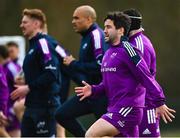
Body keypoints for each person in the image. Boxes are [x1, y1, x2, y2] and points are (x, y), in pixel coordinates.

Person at [75, 12, 175, 137]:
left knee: (91, 134)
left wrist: (159, 101)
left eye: (108, 27)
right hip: (114, 108)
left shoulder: (129, 51)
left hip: (128, 109)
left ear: (121, 30)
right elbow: (107, 84)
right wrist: (93, 90)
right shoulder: (108, 53)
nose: (104, 31)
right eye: (104, 27)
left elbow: (146, 76)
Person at [55, 5, 107, 137]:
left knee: (112, 132)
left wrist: (74, 63)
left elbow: (99, 65)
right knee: (61, 114)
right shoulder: (86, 36)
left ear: (89, 19)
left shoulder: (96, 35)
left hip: (101, 94)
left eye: (77, 18)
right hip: (88, 93)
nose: (73, 21)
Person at [123, 8, 175, 137]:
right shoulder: (132, 42)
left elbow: (145, 77)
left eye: (122, 23)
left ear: (128, 25)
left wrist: (158, 102)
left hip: (146, 105)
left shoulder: (139, 45)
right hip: (137, 104)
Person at [10, 8, 61, 137]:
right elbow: (40, 73)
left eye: (25, 22)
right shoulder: (33, 45)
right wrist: (25, 80)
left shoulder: (43, 43)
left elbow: (51, 73)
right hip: (31, 106)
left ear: (36, 24)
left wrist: (28, 87)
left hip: (45, 107)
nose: (21, 25)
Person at [0, 45, 21, 137]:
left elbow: (20, 86)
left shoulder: (11, 67)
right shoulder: (3, 67)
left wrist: (13, 109)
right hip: (6, 107)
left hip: (10, 108)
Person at [0, 47, 9, 137]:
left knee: (1, 131)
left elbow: (3, 91)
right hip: (3, 106)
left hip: (2, 107)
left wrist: (1, 109)